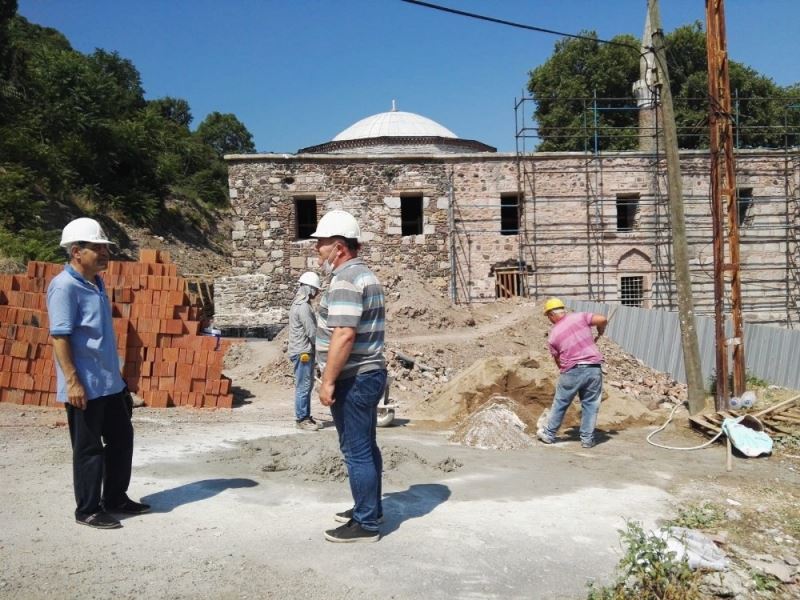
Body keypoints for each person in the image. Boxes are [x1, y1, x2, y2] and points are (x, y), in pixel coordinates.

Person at [47, 217, 150, 529]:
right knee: (89, 449)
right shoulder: (64, 287)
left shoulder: (97, 283)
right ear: (76, 252)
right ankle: (88, 510)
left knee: (122, 439)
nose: (105, 252)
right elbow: (60, 338)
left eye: (105, 247)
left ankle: (115, 498)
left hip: (110, 383)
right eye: (98, 247)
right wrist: (73, 382)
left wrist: (120, 380)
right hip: (86, 386)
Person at [312, 210, 387, 543]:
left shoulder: (345, 279)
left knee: (356, 451)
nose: (317, 250)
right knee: (366, 446)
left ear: (339, 247)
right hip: (369, 373)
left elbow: (343, 334)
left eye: (321, 244)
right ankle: (369, 508)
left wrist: (327, 381)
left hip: (354, 377)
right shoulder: (367, 276)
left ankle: (366, 523)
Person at [537, 298, 608, 449]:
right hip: (593, 368)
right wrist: (600, 329)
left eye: (548, 316)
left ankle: (549, 434)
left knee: (561, 403)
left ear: (551, 315)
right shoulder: (580, 317)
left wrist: (564, 371)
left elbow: (558, 360)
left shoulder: (553, 335)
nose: (549, 319)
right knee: (590, 404)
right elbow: (602, 319)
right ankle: (587, 440)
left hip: (572, 370)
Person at [288, 271, 322, 431]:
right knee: (304, 385)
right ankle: (302, 419)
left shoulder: (298, 304)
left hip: (301, 350)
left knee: (306, 385)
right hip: (303, 352)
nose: (316, 293)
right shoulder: (303, 307)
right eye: (315, 289)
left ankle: (306, 416)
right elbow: (311, 331)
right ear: (309, 288)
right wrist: (322, 348)